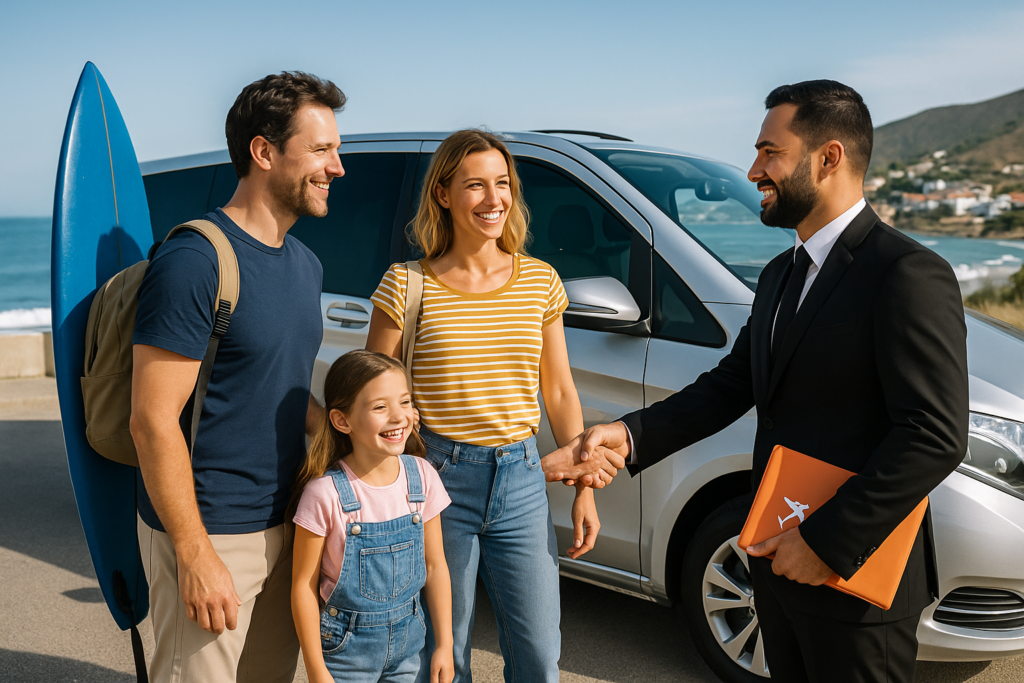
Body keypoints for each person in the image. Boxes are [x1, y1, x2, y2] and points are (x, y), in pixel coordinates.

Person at [549, 81, 969, 683]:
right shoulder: (779, 274)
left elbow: (933, 435)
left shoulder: (906, 273)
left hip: (854, 577)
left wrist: (824, 543)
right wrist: (630, 435)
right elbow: (733, 383)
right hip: (775, 560)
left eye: (770, 152)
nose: (753, 171)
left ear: (828, 158)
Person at [365, 128, 617, 682]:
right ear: (443, 194)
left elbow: (558, 391)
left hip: (522, 478)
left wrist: (585, 488)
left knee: (539, 656)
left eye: (502, 183)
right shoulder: (406, 284)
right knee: (443, 655)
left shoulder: (540, 281)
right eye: (475, 185)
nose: (493, 198)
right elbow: (373, 400)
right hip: (437, 478)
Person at [129, 72, 346, 682]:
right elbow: (151, 419)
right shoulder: (195, 260)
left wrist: (347, 437)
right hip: (212, 532)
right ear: (263, 151)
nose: (337, 167)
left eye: (337, 150)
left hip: (288, 523)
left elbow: (277, 384)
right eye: (321, 150)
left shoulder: (306, 264)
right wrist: (194, 552)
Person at [290, 350, 454, 683]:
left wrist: (445, 645)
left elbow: (436, 566)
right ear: (342, 421)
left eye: (404, 402)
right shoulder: (324, 494)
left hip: (409, 649)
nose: (398, 417)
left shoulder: (422, 476)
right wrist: (316, 669)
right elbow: (303, 586)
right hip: (345, 656)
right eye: (380, 407)